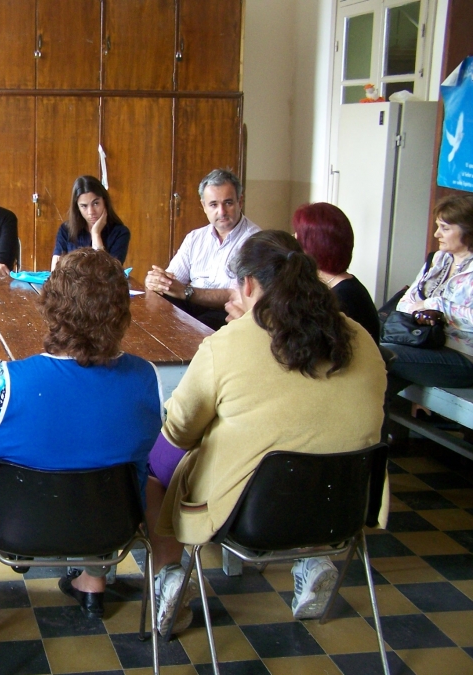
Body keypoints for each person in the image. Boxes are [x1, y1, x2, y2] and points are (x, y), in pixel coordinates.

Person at [147, 230, 386, 636]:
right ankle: (313, 560)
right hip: (346, 507)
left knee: (152, 470)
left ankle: (170, 576)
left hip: (249, 513)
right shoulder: (359, 337)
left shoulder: (229, 344)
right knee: (309, 447)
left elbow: (180, 431)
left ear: (249, 285)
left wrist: (241, 334)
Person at [0, 248, 164, 619]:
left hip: (13, 525)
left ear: (51, 305)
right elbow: (144, 445)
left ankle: (36, 559)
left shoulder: (2, 379)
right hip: (111, 526)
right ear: (121, 312)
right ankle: (93, 580)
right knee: (129, 475)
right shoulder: (146, 378)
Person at [144, 168, 260, 330]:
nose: (222, 212)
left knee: (193, 327)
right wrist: (159, 281)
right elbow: (174, 280)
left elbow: (236, 295)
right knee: (153, 308)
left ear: (240, 202)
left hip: (226, 313)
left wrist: (186, 292)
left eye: (228, 203)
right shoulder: (195, 238)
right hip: (191, 305)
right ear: (204, 206)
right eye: (213, 204)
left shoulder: (255, 241)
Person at [387, 195, 473, 394]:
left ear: (468, 230)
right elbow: (405, 302)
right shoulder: (439, 259)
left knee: (379, 356)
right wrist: (420, 312)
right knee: (376, 378)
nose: (436, 234)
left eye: (445, 228)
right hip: (424, 343)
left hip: (463, 355)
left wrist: (436, 305)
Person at [291, 203, 380, 342]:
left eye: (299, 236)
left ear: (314, 246)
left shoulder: (343, 298)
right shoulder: (339, 287)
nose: (294, 239)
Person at [51, 175, 129, 270]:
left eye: (96, 203)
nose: (91, 212)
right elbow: (55, 271)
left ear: (104, 201)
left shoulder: (120, 233)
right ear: (77, 208)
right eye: (84, 206)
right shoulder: (66, 230)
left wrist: (96, 234)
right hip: (70, 285)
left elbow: (106, 274)